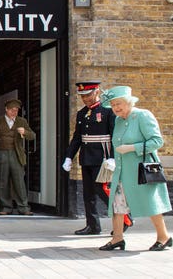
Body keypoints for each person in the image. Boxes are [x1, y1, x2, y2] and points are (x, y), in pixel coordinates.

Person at [99, 86, 173, 251]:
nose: (116, 108)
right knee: (117, 204)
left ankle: (164, 237)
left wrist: (132, 148)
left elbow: (157, 141)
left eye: (119, 104)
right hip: (122, 171)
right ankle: (117, 238)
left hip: (141, 171)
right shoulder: (118, 120)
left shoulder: (142, 116)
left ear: (129, 102)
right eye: (113, 105)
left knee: (150, 202)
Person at [63, 81, 131, 235]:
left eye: (88, 95)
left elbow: (115, 136)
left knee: (104, 190)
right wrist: (69, 157)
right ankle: (93, 225)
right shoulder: (82, 113)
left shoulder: (107, 111)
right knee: (88, 194)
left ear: (97, 92)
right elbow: (77, 138)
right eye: (82, 96)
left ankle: (126, 219)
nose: (85, 99)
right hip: (87, 157)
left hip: (103, 158)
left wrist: (113, 157)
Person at [0, 99, 35, 216]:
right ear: (6, 109)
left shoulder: (22, 121)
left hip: (16, 154)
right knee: (2, 181)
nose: (14, 112)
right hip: (1, 153)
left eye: (16, 110)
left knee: (19, 181)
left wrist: (25, 132)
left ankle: (23, 207)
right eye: (11, 110)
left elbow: (32, 136)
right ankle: (5, 207)